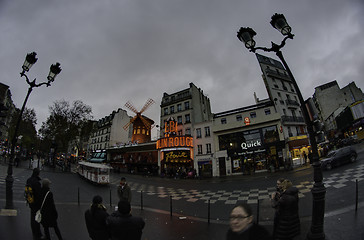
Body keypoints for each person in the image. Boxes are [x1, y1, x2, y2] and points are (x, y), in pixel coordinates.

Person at [26, 168, 44, 240]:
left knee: (32, 218)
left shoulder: (29, 180)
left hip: (31, 202)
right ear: (38, 174)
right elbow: (39, 194)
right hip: (36, 203)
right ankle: (37, 234)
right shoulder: (36, 182)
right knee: (37, 219)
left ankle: (34, 232)